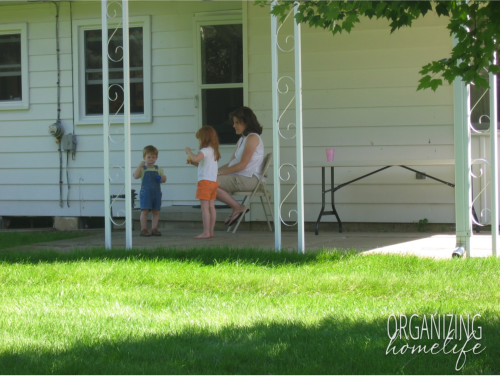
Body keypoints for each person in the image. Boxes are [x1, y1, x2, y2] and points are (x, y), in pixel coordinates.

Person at [216, 107, 264, 226]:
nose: (234, 125)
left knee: (209, 184)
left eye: (237, 122)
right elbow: (231, 163)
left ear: (246, 122)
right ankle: (236, 207)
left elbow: (242, 165)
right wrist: (215, 170)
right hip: (241, 177)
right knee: (207, 181)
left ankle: (238, 208)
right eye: (234, 122)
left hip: (250, 179)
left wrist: (220, 173)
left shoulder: (253, 138)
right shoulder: (242, 139)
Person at [185, 126, 221, 239]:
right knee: (211, 207)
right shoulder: (213, 151)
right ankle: (210, 232)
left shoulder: (204, 150)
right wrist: (193, 163)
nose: (199, 141)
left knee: (204, 208)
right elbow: (201, 164)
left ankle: (206, 232)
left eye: (199, 139)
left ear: (204, 138)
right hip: (213, 182)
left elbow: (196, 158)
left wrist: (189, 151)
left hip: (205, 183)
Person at [133, 145, 167, 237]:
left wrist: (163, 178)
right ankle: (143, 229)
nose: (151, 159)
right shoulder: (143, 169)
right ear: (144, 158)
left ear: (156, 158)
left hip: (156, 193)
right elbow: (135, 176)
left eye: (153, 157)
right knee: (145, 211)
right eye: (149, 157)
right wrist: (140, 166)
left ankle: (154, 228)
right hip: (146, 192)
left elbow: (164, 179)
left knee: (156, 211)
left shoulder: (158, 169)